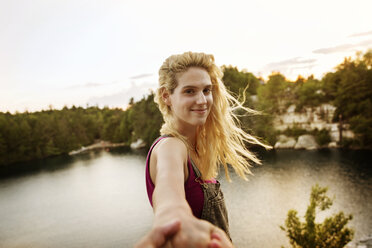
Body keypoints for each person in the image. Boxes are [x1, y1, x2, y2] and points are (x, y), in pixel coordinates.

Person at [135, 52, 270, 248]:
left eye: (206, 90)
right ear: (167, 96)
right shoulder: (170, 147)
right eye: (189, 91)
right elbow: (168, 193)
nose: (202, 100)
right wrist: (175, 216)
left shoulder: (199, 146)